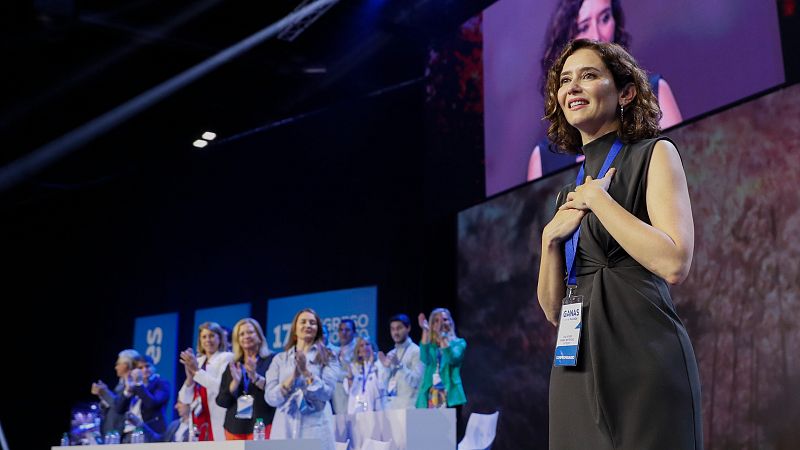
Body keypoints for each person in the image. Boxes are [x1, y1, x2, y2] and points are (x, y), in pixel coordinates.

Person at [536, 39, 702, 449]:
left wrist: (601, 202)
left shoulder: (655, 154)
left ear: (625, 92)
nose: (572, 87)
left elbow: (675, 262)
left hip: (644, 358)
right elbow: (553, 310)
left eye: (589, 76)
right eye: (566, 80)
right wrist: (549, 242)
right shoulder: (567, 195)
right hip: (575, 369)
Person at [527, 0, 682, 181]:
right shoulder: (544, 159)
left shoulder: (654, 93)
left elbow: (683, 183)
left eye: (605, 18)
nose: (597, 35)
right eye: (584, 26)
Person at [265, 308, 337, 450]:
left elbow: (327, 393)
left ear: (318, 329)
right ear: (295, 329)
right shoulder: (279, 359)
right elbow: (270, 398)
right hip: (284, 426)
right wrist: (293, 377)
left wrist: (305, 372)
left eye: (312, 323)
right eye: (303, 322)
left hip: (316, 426)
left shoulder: (328, 356)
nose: (308, 325)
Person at [215, 318, 276, 440]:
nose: (246, 336)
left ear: (259, 336)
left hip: (262, 424)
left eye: (250, 332)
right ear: (237, 340)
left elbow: (275, 394)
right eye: (241, 334)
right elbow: (221, 401)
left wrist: (254, 376)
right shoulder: (233, 365)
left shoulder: (272, 360)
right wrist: (234, 384)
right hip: (234, 428)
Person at [178, 321, 234, 441]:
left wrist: (197, 371)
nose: (208, 340)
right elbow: (185, 399)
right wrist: (189, 378)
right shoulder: (198, 360)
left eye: (212, 336)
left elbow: (221, 388)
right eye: (204, 337)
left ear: (220, 338)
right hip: (198, 420)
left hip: (218, 417)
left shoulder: (226, 358)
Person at [415, 308, 466, 409]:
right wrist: (425, 330)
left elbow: (453, 358)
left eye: (445, 320)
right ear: (432, 325)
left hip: (450, 395)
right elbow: (425, 358)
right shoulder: (431, 346)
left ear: (451, 322)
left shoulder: (459, 343)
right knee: (428, 425)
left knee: (448, 425)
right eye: (437, 321)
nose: (441, 323)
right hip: (431, 394)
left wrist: (442, 336)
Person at [113, 355, 171, 443]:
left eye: (147, 366)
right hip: (127, 433)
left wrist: (139, 384)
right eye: (140, 368)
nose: (144, 370)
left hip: (149, 432)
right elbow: (119, 409)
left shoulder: (161, 383)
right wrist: (128, 391)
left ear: (153, 367)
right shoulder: (133, 385)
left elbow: (152, 404)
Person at [90, 349, 141, 436]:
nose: (115, 367)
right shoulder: (120, 384)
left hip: (121, 433)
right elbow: (112, 405)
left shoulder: (134, 383)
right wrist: (102, 395)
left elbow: (119, 406)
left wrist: (104, 393)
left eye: (118, 364)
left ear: (126, 365)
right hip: (109, 431)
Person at [377, 314, 422, 410]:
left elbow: (417, 381)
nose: (395, 332)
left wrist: (400, 366)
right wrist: (385, 368)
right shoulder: (391, 353)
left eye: (399, 328)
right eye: (392, 329)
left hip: (409, 407)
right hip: (391, 408)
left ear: (408, 328)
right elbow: (383, 385)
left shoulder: (416, 351)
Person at [343, 337, 386, 414]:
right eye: (361, 345)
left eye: (367, 344)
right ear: (358, 352)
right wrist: (350, 375)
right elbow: (349, 390)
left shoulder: (379, 365)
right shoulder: (354, 368)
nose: (364, 347)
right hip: (356, 412)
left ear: (373, 348)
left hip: (375, 411)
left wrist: (371, 364)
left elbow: (382, 385)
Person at [331, 319, 357, 415]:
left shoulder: (358, 350)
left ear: (354, 332)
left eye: (347, 330)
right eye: (341, 330)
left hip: (352, 397)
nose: (343, 333)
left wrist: (335, 375)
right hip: (336, 400)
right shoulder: (335, 351)